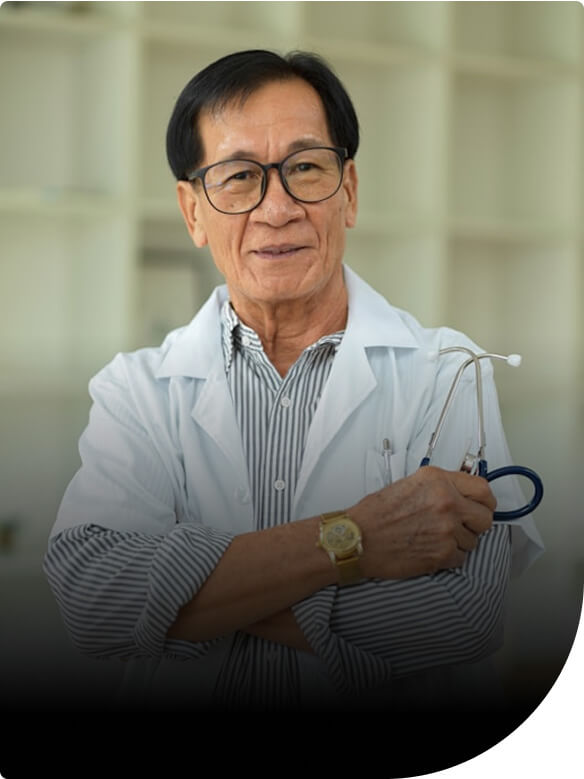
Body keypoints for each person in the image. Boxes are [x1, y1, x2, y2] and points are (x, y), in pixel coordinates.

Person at [44, 50, 543, 716]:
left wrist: (186, 601)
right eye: (239, 177)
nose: (277, 208)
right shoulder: (137, 391)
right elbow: (95, 603)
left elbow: (460, 617)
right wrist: (358, 536)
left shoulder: (446, 371)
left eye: (306, 168)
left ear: (349, 191)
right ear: (193, 212)